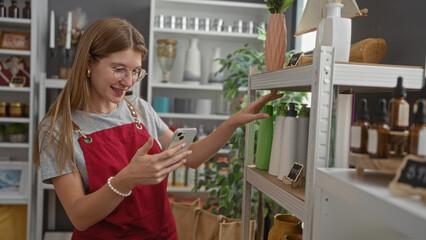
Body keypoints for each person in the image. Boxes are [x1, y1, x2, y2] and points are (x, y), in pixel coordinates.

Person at [33, 17, 282, 240]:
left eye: (135, 71)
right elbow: (80, 217)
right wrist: (127, 178)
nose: (128, 81)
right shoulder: (57, 129)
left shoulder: (139, 108)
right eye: (119, 69)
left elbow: (191, 157)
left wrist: (231, 124)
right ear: (89, 62)